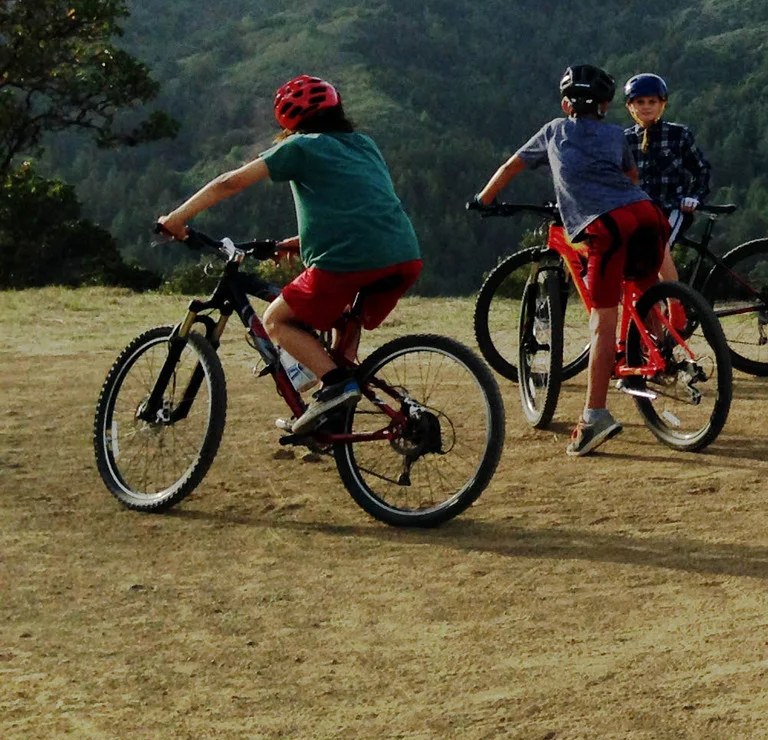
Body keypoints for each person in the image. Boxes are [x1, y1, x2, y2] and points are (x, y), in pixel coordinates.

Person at [157, 76, 424, 438]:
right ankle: (335, 412)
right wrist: (302, 241)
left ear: (290, 122)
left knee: (276, 319)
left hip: (347, 259)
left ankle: (335, 386)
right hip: (403, 253)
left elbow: (229, 182)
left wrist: (176, 220)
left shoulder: (300, 146)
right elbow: (364, 206)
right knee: (345, 320)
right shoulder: (364, 144)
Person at [473, 64, 670, 458]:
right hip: (647, 213)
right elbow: (631, 177)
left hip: (605, 223)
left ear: (566, 105)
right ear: (605, 106)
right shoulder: (616, 135)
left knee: (602, 321)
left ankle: (595, 416)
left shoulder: (553, 130)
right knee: (644, 286)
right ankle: (664, 355)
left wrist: (484, 199)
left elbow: (512, 165)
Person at [622, 72, 713, 285]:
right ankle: (648, 302)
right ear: (630, 107)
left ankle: (675, 302)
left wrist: (694, 197)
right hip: (639, 211)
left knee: (658, 248)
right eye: (640, 102)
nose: (646, 107)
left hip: (672, 208)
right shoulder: (624, 140)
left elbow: (701, 169)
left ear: (662, 104)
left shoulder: (678, 135)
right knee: (630, 256)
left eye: (652, 102)